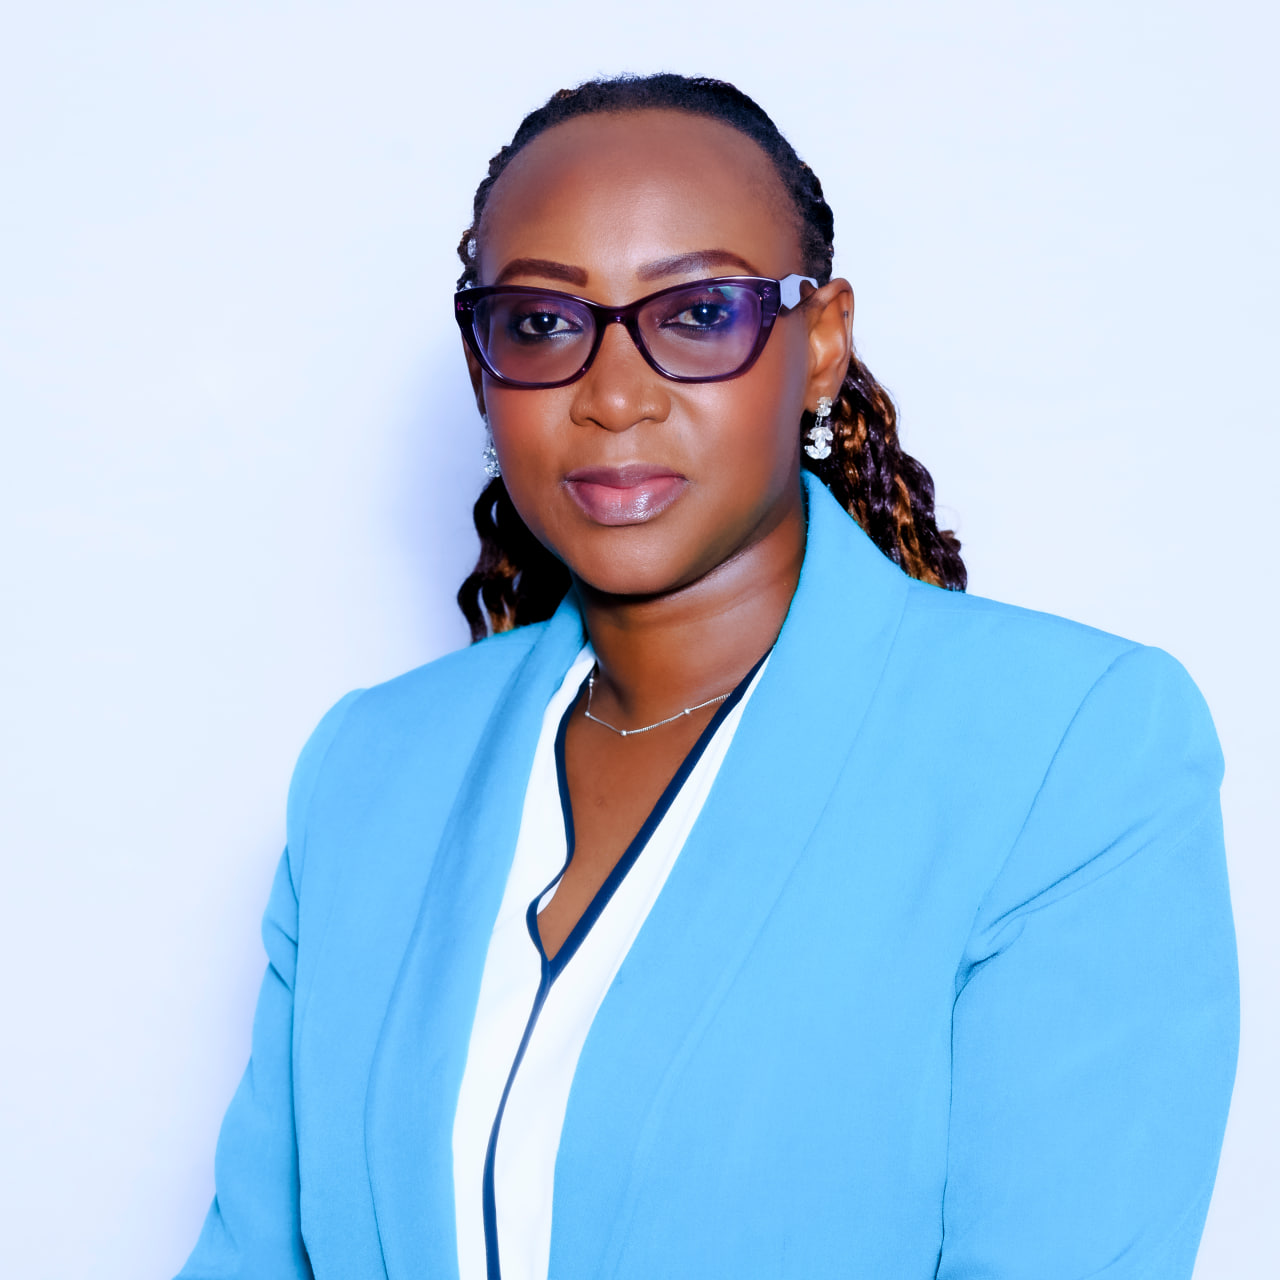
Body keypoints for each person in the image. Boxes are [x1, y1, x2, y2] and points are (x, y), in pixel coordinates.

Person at [177, 74, 1238, 1280]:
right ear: (481, 366)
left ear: (819, 343)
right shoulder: (371, 769)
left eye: (695, 312)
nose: (612, 396)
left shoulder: (1068, 751)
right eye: (542, 322)